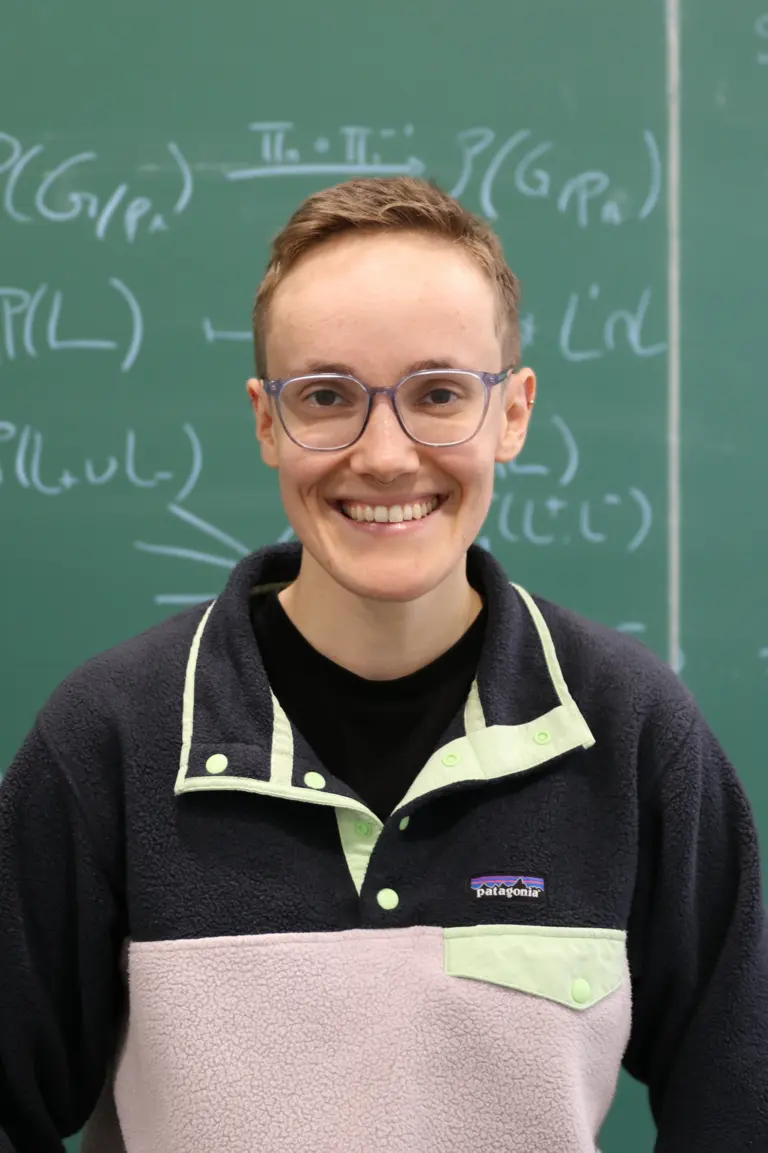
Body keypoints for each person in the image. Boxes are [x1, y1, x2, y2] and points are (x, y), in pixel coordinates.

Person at [1, 177, 766, 1153]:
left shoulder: (632, 735)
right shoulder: (111, 742)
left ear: (515, 412)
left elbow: (739, 1105)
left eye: (438, 393)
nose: (387, 455)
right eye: (327, 397)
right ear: (267, 420)